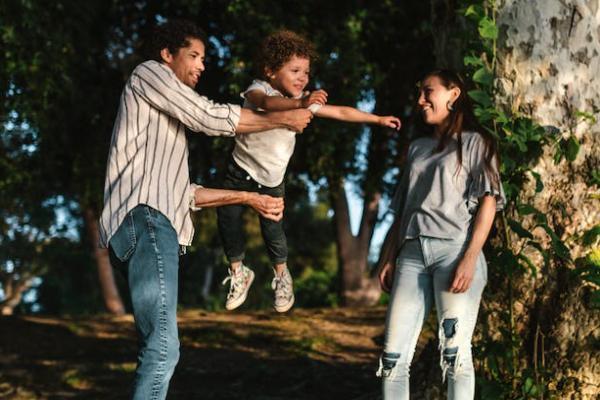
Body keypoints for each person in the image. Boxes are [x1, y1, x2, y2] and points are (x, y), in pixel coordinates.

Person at [98, 19, 313, 400]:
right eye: (193, 56)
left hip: (149, 224)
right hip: (146, 220)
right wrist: (282, 117)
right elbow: (207, 116)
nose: (201, 65)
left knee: (159, 347)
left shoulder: (165, 125)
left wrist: (250, 198)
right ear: (168, 55)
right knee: (164, 349)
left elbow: (187, 194)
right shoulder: (149, 73)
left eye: (204, 58)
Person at [217, 30, 401, 313]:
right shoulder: (259, 89)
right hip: (239, 169)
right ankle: (239, 272)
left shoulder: (302, 99)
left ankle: (282, 276)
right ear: (270, 71)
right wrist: (301, 103)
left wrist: (376, 118)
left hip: (271, 179)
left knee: (272, 230)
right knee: (227, 217)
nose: (303, 77)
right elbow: (267, 105)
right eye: (295, 70)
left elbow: (340, 112)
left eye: (306, 72)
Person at [375, 69, 505, 399]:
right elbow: (403, 210)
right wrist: (389, 256)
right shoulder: (418, 149)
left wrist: (470, 259)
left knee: (455, 354)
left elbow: (489, 204)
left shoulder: (477, 143)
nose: (420, 100)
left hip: (456, 252)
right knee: (392, 357)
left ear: (454, 94)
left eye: (427, 91)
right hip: (412, 255)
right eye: (419, 92)